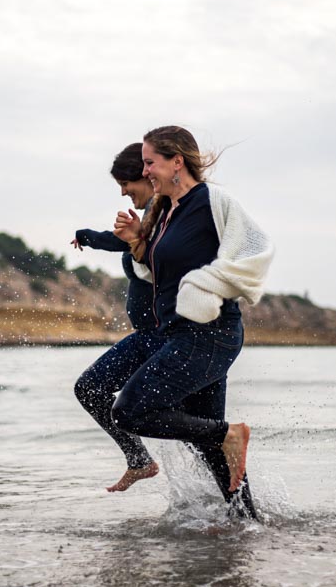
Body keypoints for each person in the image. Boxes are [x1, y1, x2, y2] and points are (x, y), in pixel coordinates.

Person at [110, 125, 274, 519]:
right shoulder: (167, 211)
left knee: (129, 412)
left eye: (150, 162)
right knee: (209, 444)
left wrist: (207, 282)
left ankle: (230, 434)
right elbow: (159, 276)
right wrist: (138, 243)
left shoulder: (212, 202)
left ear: (176, 161)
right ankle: (247, 523)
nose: (145, 170)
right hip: (180, 333)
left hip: (211, 333)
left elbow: (257, 250)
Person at [72, 144, 165, 493]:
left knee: (191, 428)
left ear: (145, 174)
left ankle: (232, 510)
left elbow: (147, 246)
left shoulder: (164, 212)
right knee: (90, 389)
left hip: (166, 337)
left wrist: (95, 237)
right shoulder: (150, 216)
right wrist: (89, 238)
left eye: (125, 184)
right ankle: (140, 460)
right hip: (146, 338)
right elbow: (124, 241)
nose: (124, 192)